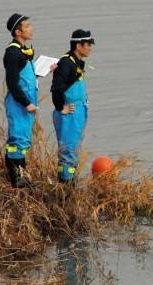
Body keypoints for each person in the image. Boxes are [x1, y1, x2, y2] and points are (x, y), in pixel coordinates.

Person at [51, 29, 94, 183]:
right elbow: (56, 88)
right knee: (68, 151)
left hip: (77, 113)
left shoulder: (76, 62)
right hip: (69, 115)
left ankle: (71, 183)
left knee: (73, 150)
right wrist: (60, 107)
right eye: (88, 45)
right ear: (78, 46)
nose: (90, 48)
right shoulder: (66, 63)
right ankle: (65, 188)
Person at [3, 13, 38, 188]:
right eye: (27, 26)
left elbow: (25, 76)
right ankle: (17, 180)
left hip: (24, 104)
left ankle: (23, 176)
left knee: (23, 140)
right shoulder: (13, 53)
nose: (31, 28)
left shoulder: (23, 52)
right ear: (18, 31)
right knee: (17, 140)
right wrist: (27, 103)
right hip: (19, 104)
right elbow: (12, 83)